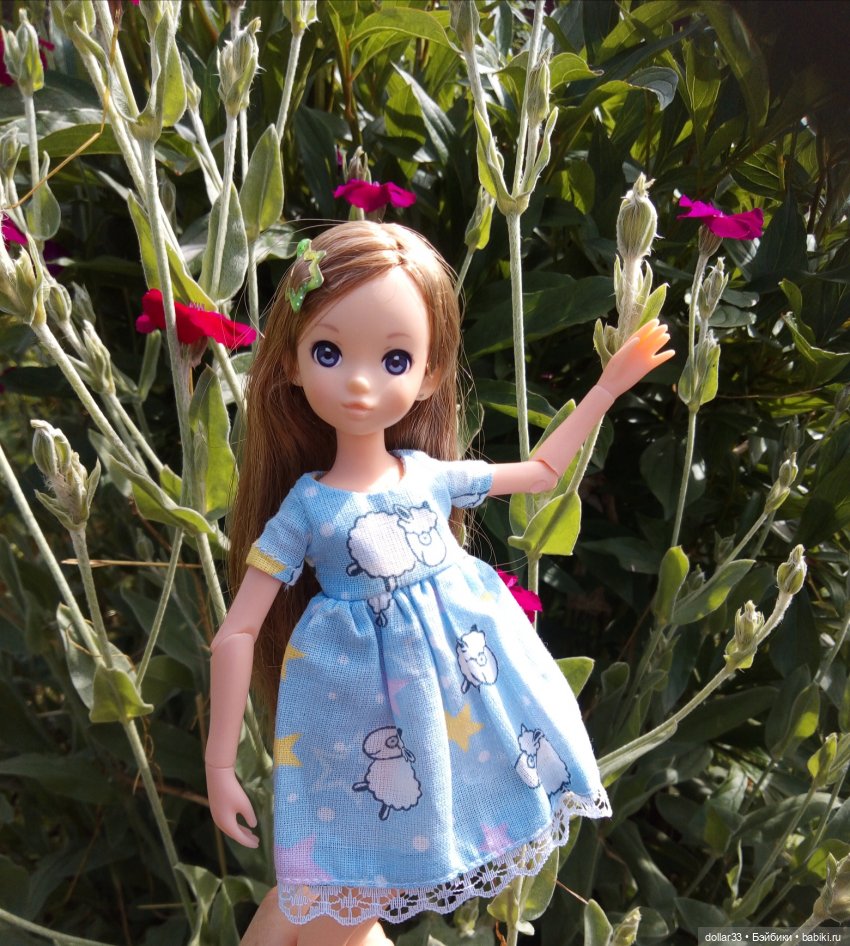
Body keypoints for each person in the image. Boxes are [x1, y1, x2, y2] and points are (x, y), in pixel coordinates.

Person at [205, 221, 673, 946]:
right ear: (292, 363)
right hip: (352, 713)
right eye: (329, 352)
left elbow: (542, 473)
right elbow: (237, 631)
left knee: (344, 903)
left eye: (394, 358)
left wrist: (608, 386)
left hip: (459, 708)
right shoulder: (308, 508)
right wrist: (218, 762)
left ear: (428, 374)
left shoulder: (428, 478)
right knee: (339, 896)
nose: (360, 381)